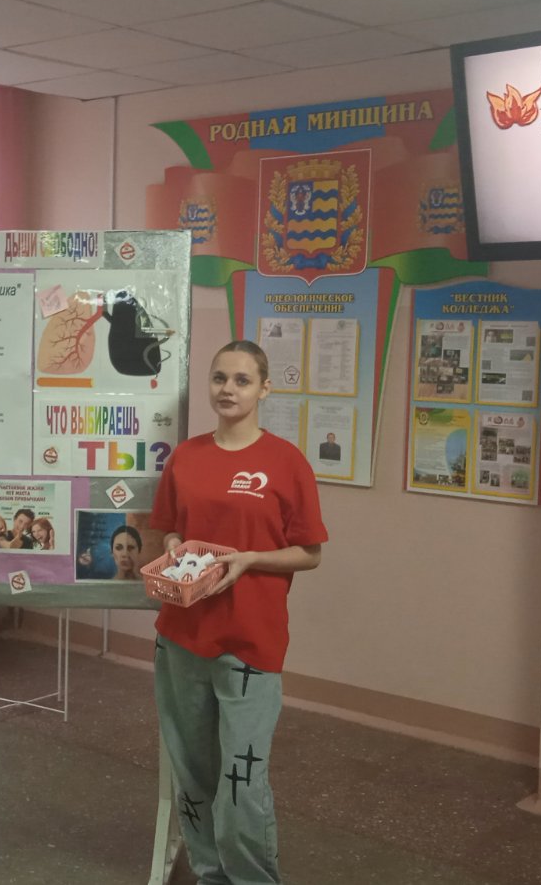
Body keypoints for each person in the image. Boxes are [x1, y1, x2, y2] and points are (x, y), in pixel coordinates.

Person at [149, 340, 326, 885]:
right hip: (181, 636)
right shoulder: (186, 456)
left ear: (264, 389)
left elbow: (310, 552)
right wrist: (175, 545)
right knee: (193, 771)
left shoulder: (286, 463)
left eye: (242, 380)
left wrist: (250, 559)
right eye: (219, 378)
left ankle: (251, 878)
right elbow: (169, 527)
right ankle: (209, 872)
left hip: (250, 641)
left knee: (242, 780)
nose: (228, 389)